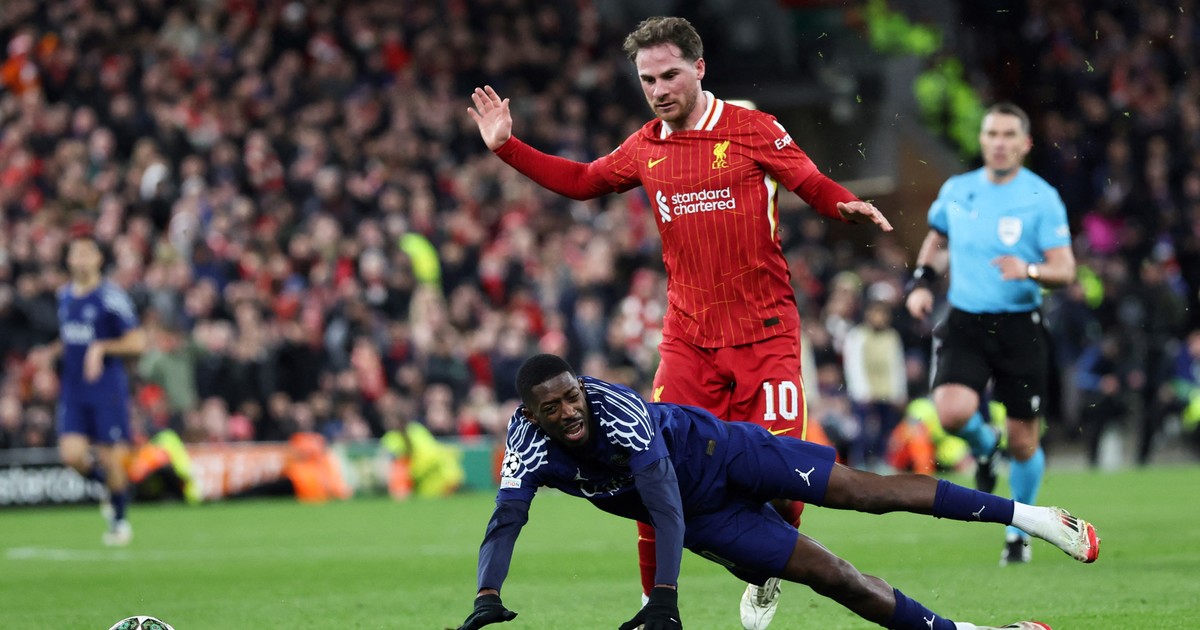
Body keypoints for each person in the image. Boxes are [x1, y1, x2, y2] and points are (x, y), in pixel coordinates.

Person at [468, 16, 893, 627]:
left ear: (699, 68)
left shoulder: (752, 129)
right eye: (647, 80)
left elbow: (808, 180)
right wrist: (507, 147)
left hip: (766, 334)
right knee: (647, 469)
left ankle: (767, 569)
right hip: (689, 340)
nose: (659, 89)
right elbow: (583, 181)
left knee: (784, 482)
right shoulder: (645, 147)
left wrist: (841, 204)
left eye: (669, 75)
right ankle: (653, 609)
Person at [454, 354, 1099, 630]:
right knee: (833, 575)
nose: (570, 411)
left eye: (572, 396)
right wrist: (487, 594)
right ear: (531, 414)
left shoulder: (616, 410)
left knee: (866, 492)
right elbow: (506, 519)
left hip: (725, 453)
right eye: (553, 407)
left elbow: (662, 506)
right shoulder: (527, 446)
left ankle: (1033, 516)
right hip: (705, 517)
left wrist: (666, 596)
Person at [904, 103, 1076, 566]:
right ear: (982, 140)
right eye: (992, 134)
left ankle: (1018, 534)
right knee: (951, 413)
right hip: (967, 320)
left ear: (1025, 143)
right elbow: (938, 240)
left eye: (1008, 135)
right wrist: (921, 282)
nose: (999, 143)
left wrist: (1030, 269)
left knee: (1024, 442)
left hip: (1020, 325)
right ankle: (984, 449)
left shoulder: (1041, 197)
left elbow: (1065, 269)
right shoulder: (957, 190)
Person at [35, 233, 146, 545]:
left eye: (87, 253)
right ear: (68, 260)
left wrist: (102, 348)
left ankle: (120, 521)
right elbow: (71, 336)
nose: (81, 260)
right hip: (74, 389)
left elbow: (137, 342)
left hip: (106, 389)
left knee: (112, 458)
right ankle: (109, 490)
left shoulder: (111, 297)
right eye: (76, 254)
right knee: (72, 455)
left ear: (99, 259)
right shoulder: (64, 296)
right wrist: (50, 353)